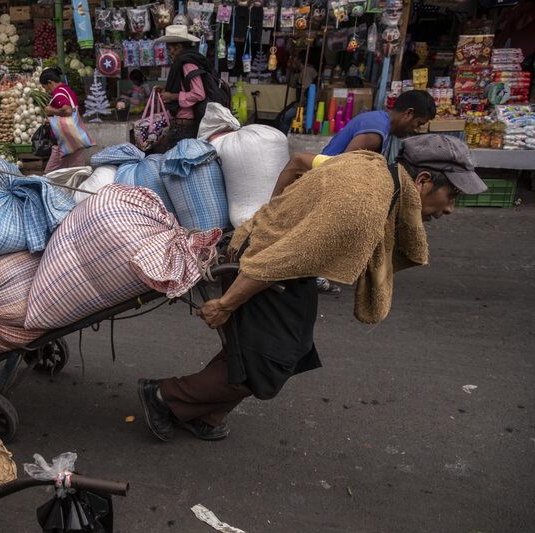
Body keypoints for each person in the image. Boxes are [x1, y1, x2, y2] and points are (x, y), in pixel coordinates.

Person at [137, 135, 487, 442]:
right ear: (423, 181)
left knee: (286, 349)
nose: (451, 209)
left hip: (284, 260)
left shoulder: (370, 167)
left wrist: (275, 213)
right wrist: (226, 303)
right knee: (269, 361)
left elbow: (300, 162)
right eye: (452, 195)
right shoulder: (362, 203)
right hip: (266, 262)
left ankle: (203, 414)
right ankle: (164, 396)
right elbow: (281, 261)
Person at [297, 89, 437, 294]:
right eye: (417, 123)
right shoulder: (375, 133)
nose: (414, 130)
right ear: (408, 113)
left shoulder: (378, 120)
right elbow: (344, 169)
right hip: (325, 183)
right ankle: (317, 269)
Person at [153, 24, 208, 149]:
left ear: (178, 47)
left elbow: (199, 93)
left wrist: (172, 96)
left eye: (169, 49)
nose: (168, 53)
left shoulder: (187, 65)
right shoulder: (183, 63)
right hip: (181, 126)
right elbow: (184, 87)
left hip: (185, 128)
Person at [40, 67, 87, 173]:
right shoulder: (67, 90)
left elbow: (67, 110)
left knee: (49, 174)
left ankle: (50, 189)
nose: (46, 91)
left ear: (50, 82)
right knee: (77, 172)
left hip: (63, 141)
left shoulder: (58, 94)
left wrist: (51, 110)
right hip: (75, 138)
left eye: (45, 87)